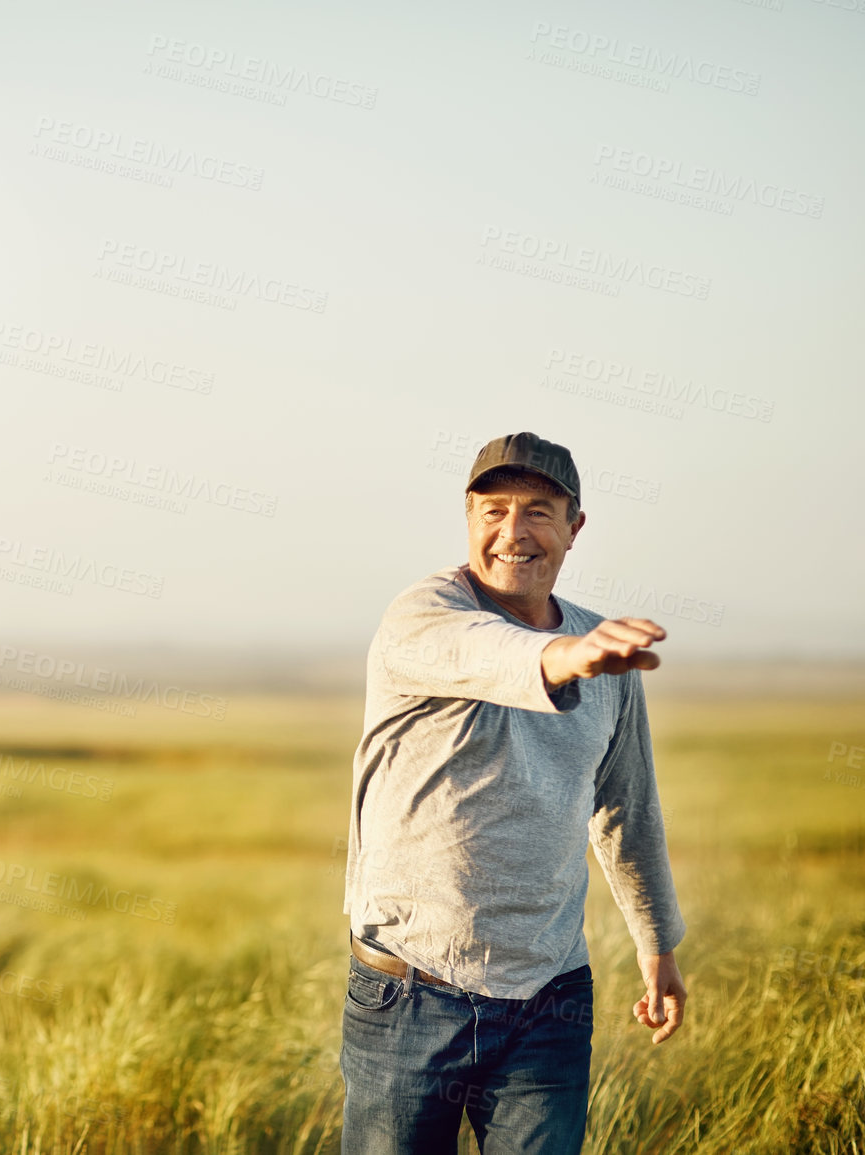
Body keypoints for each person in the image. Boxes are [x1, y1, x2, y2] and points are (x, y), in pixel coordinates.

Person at [340, 431, 686, 1154]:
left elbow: (624, 806)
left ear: (573, 527)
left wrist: (657, 948)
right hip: (410, 990)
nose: (512, 532)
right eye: (492, 509)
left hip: (549, 999)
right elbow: (487, 652)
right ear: (467, 517)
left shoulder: (603, 651)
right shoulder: (422, 616)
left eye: (537, 510)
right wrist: (563, 656)